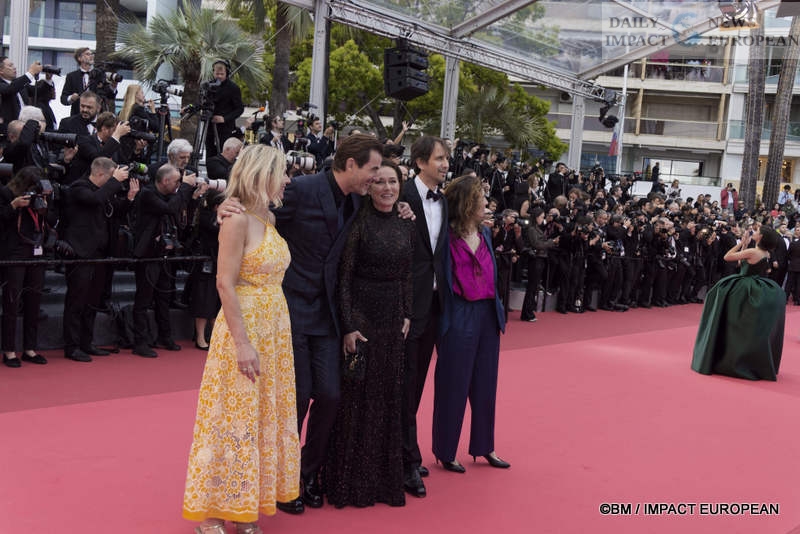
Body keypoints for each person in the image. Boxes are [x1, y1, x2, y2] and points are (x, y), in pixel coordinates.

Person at [218, 134, 408, 514]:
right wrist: (223, 208)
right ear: (351, 165)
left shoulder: (358, 200)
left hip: (329, 316)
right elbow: (256, 215)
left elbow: (389, 208)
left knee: (331, 395)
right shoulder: (302, 190)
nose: (377, 178)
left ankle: (304, 475)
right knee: (299, 397)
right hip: (289, 311)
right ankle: (278, 480)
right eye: (373, 170)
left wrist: (403, 208)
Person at [183, 144, 299, 534]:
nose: (287, 179)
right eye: (281, 172)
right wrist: (243, 343)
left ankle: (242, 505)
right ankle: (214, 512)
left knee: (258, 418)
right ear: (261, 174)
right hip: (243, 328)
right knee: (231, 418)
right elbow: (223, 283)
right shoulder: (234, 219)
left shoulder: (267, 215)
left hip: (274, 331)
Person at [325, 159, 415, 508]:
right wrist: (349, 325)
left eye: (393, 182)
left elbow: (408, 273)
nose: (387, 188)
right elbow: (344, 277)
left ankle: (382, 482)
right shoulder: (358, 222)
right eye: (379, 182)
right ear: (370, 186)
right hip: (362, 315)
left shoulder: (407, 222)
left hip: (394, 318)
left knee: (388, 396)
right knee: (357, 397)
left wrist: (407, 311)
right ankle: (351, 483)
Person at [433, 174, 509, 473]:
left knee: (485, 384)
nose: (486, 204)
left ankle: (484, 446)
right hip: (459, 313)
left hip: (488, 315)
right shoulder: (445, 237)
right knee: (453, 384)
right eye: (480, 199)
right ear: (466, 203)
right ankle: (445, 450)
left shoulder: (487, 234)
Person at [399, 135, 450, 498]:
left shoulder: (443, 201)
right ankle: (405, 460)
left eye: (447, 159)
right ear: (420, 162)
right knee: (404, 382)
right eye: (439, 159)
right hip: (403, 306)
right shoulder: (400, 193)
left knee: (416, 385)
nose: (446, 164)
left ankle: (407, 453)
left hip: (433, 304)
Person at [62, 158, 136, 362]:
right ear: (102, 174)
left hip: (101, 253)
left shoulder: (105, 191)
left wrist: (129, 198)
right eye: (112, 177)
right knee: (76, 300)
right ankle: (72, 345)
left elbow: (115, 213)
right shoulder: (79, 188)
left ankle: (87, 342)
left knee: (93, 301)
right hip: (81, 253)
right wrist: (114, 182)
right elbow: (94, 200)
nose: (115, 182)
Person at [691, 225, 785, 381]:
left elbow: (727, 257)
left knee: (726, 316)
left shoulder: (753, 252)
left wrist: (741, 243)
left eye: (757, 232)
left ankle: (722, 356)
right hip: (758, 287)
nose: (754, 232)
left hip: (743, 289)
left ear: (761, 237)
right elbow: (744, 265)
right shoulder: (766, 253)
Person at [131, 164, 196, 357]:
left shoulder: (168, 195)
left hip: (165, 253)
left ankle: (165, 336)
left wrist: (191, 195)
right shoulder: (148, 194)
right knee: (143, 299)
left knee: (164, 296)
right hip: (148, 254)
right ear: (165, 180)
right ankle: (140, 342)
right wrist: (185, 187)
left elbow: (178, 210)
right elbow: (169, 208)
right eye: (176, 181)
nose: (178, 185)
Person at [0, 166, 55, 367]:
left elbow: (51, 220)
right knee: (12, 303)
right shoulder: (6, 193)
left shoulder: (41, 196)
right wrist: (13, 206)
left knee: (34, 302)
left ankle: (30, 348)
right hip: (14, 252)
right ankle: (9, 351)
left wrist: (45, 206)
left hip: (36, 251)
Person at [520, 206, 559, 322]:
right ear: (536, 217)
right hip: (535, 259)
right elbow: (537, 244)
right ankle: (527, 313)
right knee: (532, 287)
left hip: (540, 258)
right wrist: (552, 242)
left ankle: (529, 311)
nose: (543, 219)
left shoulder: (536, 228)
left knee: (534, 287)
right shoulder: (532, 229)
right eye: (542, 217)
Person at [205, 60, 244, 158]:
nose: (219, 76)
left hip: (225, 128)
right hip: (209, 125)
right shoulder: (208, 86)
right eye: (217, 73)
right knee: (210, 153)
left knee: (223, 154)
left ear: (227, 73)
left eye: (222, 74)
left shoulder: (233, 88)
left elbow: (240, 109)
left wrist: (224, 118)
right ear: (213, 72)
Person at [0, 57, 41, 135]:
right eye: (10, 66)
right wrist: (31, 72)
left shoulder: (19, 84)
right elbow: (10, 89)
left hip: (25, 127)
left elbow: (38, 91)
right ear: (1, 70)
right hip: (9, 130)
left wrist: (48, 79)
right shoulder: (8, 85)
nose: (14, 67)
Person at [60, 47, 95, 116]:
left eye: (92, 54)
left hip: (95, 116)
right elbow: (63, 98)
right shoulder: (71, 76)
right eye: (87, 54)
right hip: (77, 115)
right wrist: (71, 98)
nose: (91, 56)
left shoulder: (98, 74)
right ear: (79, 58)